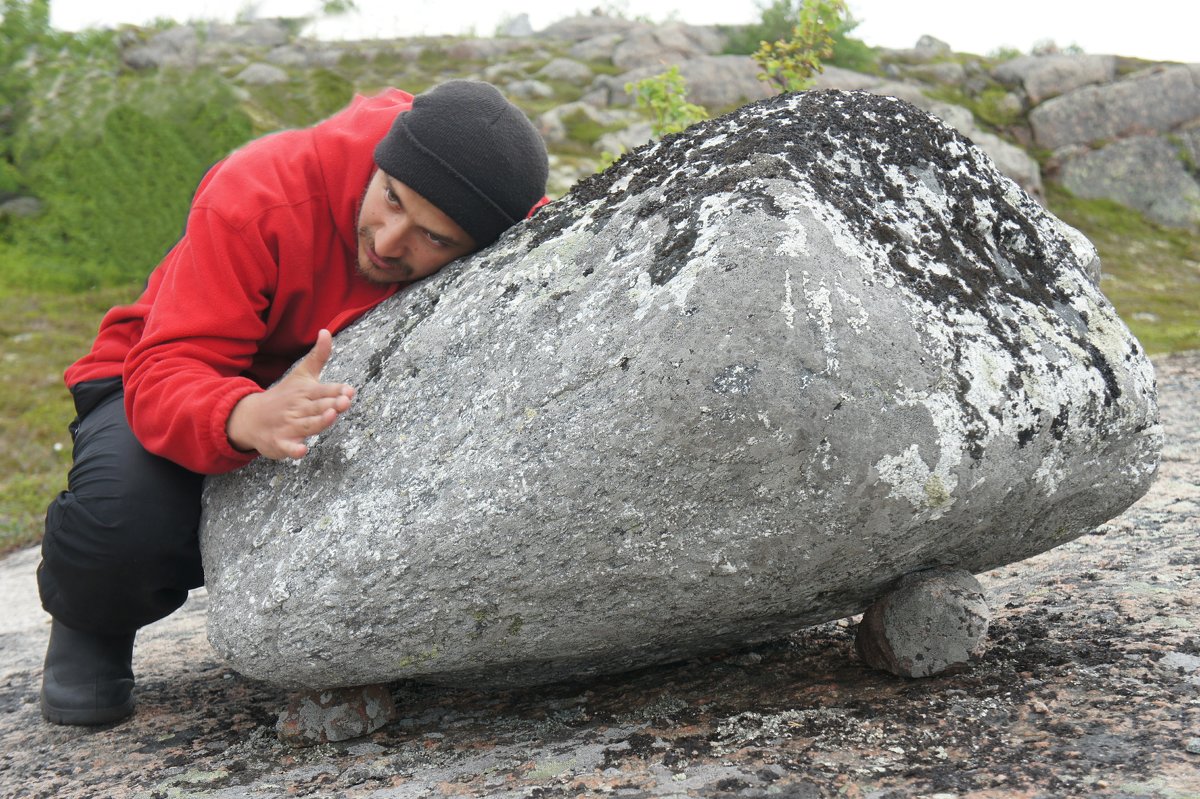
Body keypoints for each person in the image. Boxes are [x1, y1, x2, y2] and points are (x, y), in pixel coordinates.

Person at [36, 80, 549, 726]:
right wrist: (245, 416)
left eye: (434, 239)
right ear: (384, 161)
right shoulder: (261, 191)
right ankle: (91, 619)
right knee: (122, 516)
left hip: (319, 405)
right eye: (391, 198)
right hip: (163, 374)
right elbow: (168, 367)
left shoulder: (497, 214)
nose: (389, 242)